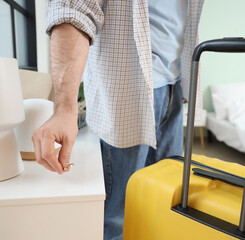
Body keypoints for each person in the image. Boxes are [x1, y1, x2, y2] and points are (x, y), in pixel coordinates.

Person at [32, 1, 204, 239]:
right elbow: (73, 8)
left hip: (175, 86)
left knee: (166, 200)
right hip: (128, 90)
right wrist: (64, 109)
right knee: (118, 216)